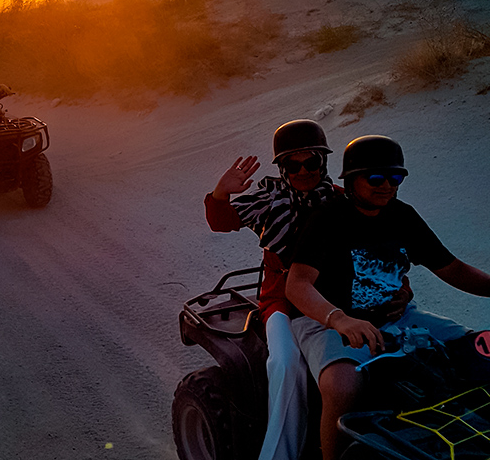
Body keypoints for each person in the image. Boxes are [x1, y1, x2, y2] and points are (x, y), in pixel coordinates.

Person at [205, 120, 411, 460]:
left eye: (311, 162)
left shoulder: (343, 199)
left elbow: (382, 247)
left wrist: (402, 288)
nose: (303, 171)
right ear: (282, 168)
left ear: (323, 162)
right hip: (284, 301)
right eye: (292, 164)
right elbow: (221, 221)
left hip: (338, 297)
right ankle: (280, 454)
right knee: (286, 365)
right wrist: (221, 193)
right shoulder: (269, 201)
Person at [286, 135, 490, 460]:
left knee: (475, 348)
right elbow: (297, 284)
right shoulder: (328, 218)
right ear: (352, 180)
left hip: (397, 315)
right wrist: (339, 318)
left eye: (395, 178)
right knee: (343, 387)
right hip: (325, 320)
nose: (387, 186)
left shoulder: (402, 215)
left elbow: (452, 268)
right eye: (376, 178)